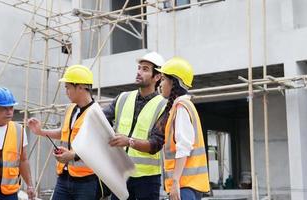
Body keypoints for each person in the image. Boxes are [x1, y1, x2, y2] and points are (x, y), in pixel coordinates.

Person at [27, 65, 99, 200]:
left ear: (81, 87)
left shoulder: (97, 114)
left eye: (68, 87)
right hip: (63, 177)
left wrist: (72, 155)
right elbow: (63, 133)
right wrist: (40, 131)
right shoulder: (70, 108)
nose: (66, 91)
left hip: (86, 181)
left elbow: (98, 148)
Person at [104, 51, 167, 200]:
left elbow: (155, 144)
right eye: (139, 68)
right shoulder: (123, 98)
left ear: (157, 77)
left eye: (145, 69)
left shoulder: (163, 106)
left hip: (147, 179)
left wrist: (128, 141)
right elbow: (100, 120)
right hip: (121, 173)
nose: (139, 72)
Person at [156, 57, 210, 200]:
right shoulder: (182, 107)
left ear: (173, 83)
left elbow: (184, 147)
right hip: (188, 186)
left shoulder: (181, 108)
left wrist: (175, 183)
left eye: (163, 80)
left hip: (184, 186)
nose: (160, 84)